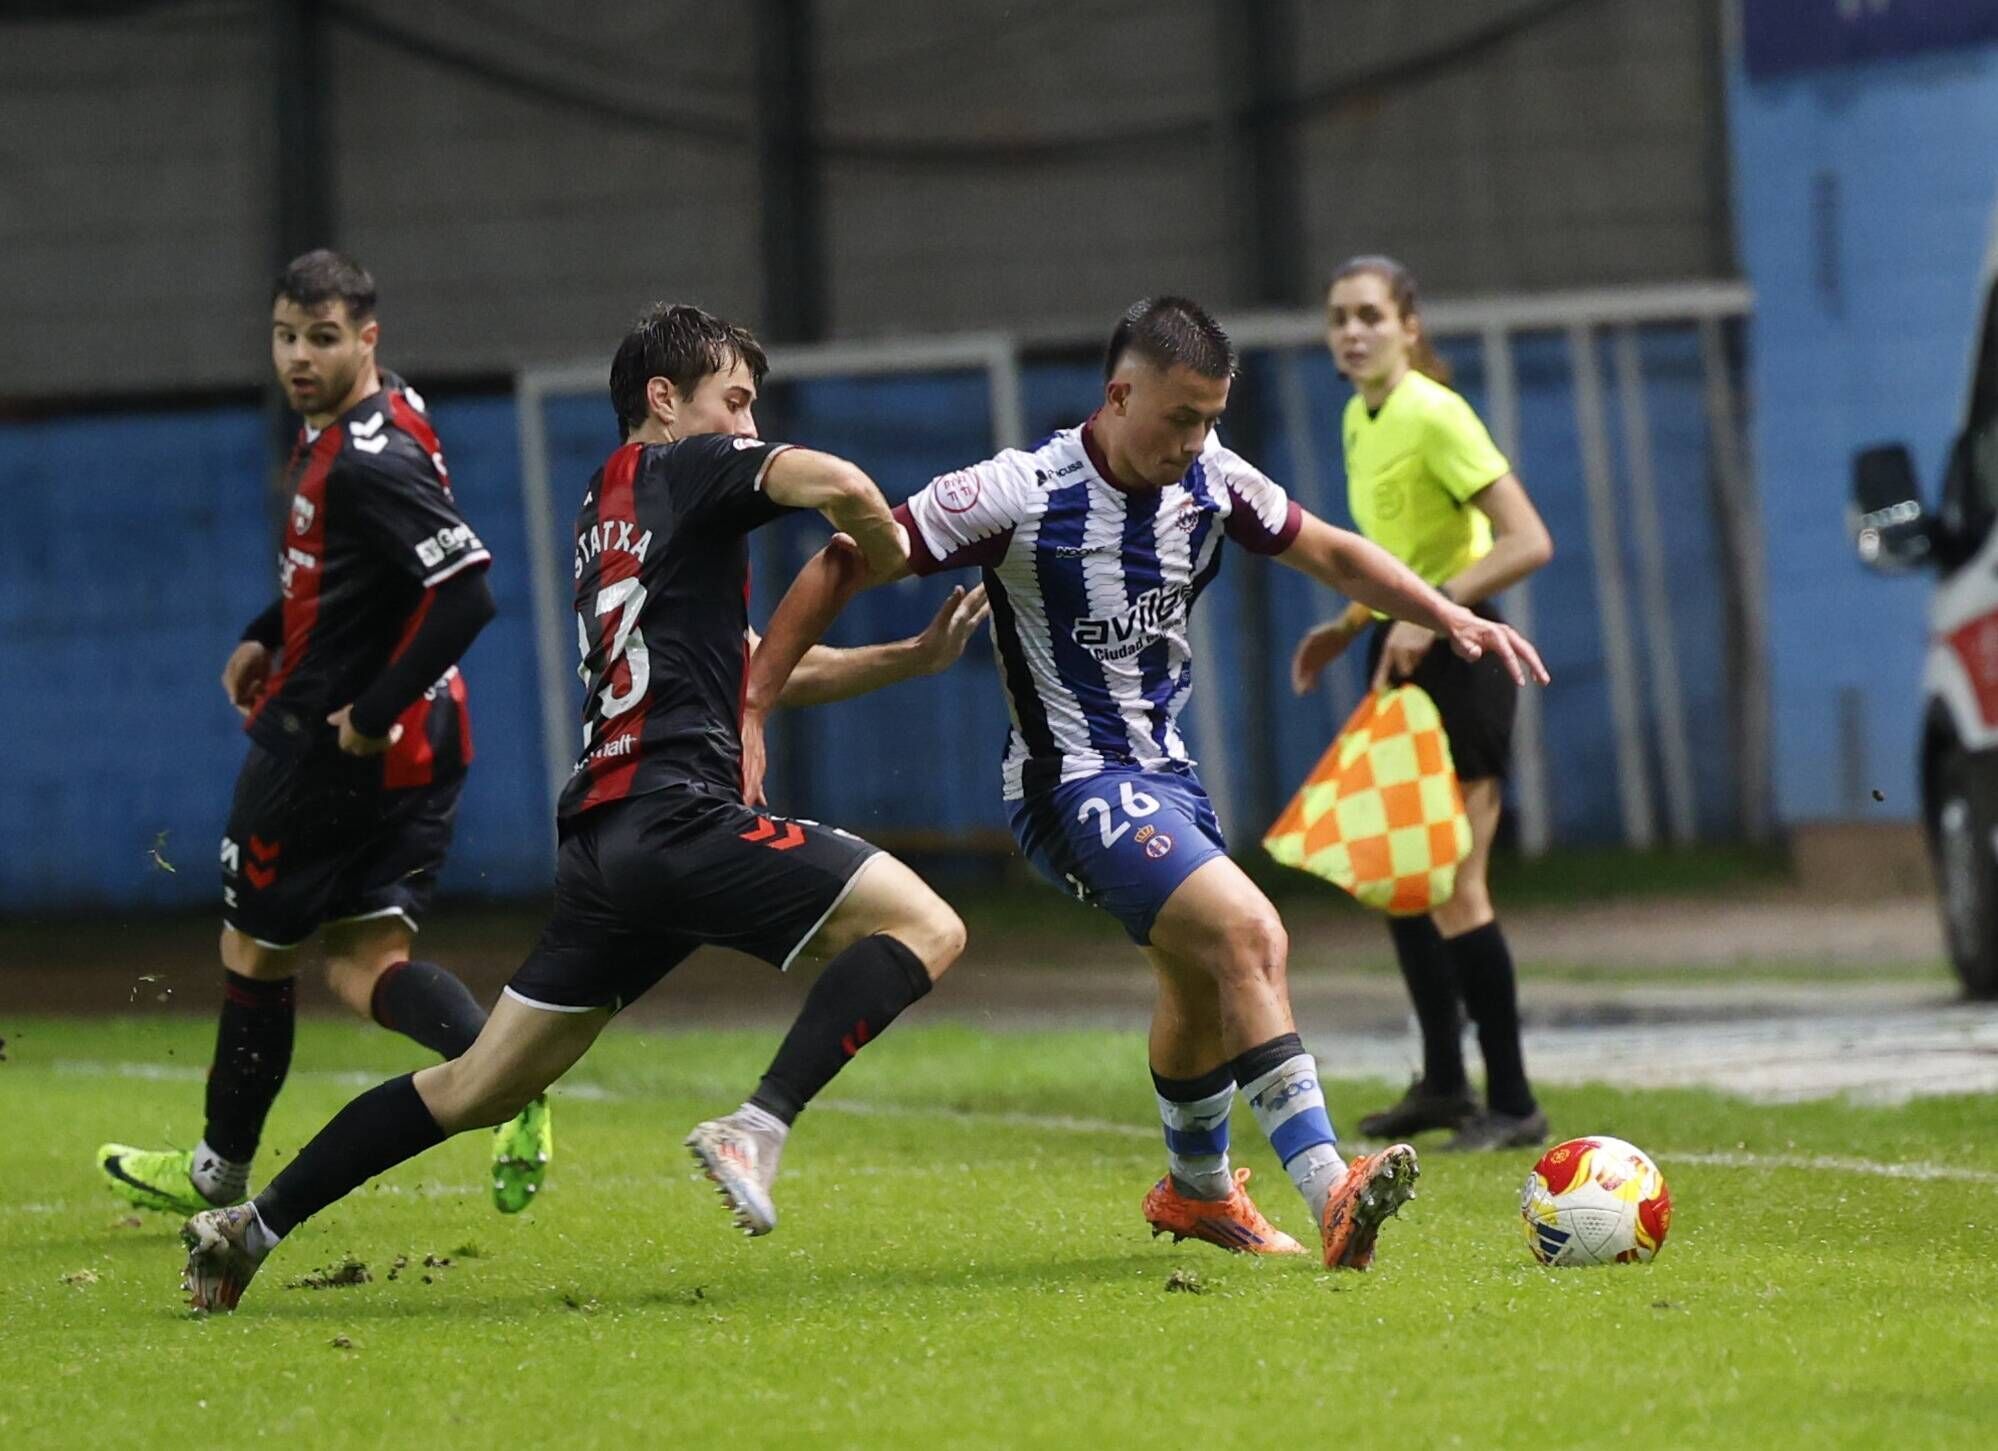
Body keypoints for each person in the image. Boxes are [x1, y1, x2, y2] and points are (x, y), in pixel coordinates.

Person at [179, 303, 970, 1312]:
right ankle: (756, 1123)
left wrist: (910, 655)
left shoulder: (609, 499)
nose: (747, 420)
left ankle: (250, 1226)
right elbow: (842, 486)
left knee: (477, 1086)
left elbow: (744, 671)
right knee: (928, 925)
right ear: (664, 400)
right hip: (679, 817)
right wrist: (882, 541)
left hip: (606, 839)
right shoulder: (694, 466)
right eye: (735, 399)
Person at [888, 296, 1548, 1267]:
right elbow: (866, 549)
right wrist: (772, 677)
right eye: (1182, 416)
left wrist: (1447, 613)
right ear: (1120, 394)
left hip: (1168, 774)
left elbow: (1328, 548)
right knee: (1252, 932)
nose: (1198, 439)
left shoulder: (1217, 475)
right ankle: (1333, 1185)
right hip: (1071, 782)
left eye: (1212, 419)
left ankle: (1198, 1188)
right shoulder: (1022, 489)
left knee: (1198, 980)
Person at [99, 249, 554, 1219]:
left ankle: (216, 1171)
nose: (299, 355)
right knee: (364, 963)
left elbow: (465, 588)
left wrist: (370, 708)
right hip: (425, 746)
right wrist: (268, 630)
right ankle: (509, 1076)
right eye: (285, 335)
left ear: (367, 337)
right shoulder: (388, 417)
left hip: (327, 752)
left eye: (322, 336)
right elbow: (367, 576)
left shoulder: (362, 456)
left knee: (255, 954)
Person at [1291, 255, 1556, 1151]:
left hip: (1466, 653)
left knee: (1455, 887)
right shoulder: (1359, 419)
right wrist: (1349, 623)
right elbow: (1394, 553)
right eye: (1338, 318)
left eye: (1370, 313)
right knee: (1398, 877)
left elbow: (1527, 539)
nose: (1353, 331)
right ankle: (1445, 1081)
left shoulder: (1436, 414)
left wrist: (1437, 614)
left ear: (1410, 323)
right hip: (1399, 649)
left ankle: (1514, 1100)